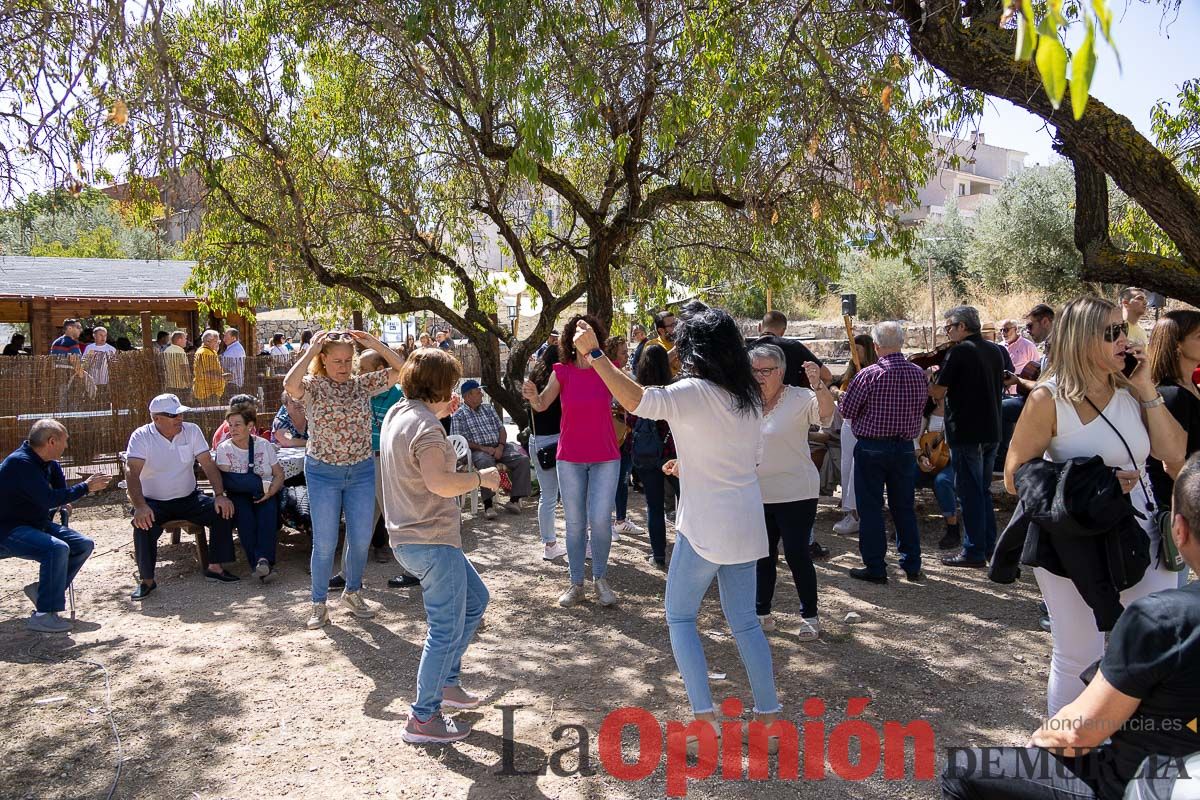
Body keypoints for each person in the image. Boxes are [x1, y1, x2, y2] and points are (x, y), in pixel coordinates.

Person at [576, 301, 783, 747]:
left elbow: (635, 400)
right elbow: (747, 463)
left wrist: (596, 356)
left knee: (680, 616)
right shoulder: (748, 399)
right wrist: (689, 465)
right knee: (745, 622)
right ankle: (769, 722)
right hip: (747, 522)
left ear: (694, 349)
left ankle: (704, 723)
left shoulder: (693, 391)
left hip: (706, 526)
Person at [942, 455, 1200, 800]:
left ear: (1178, 530)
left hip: (1137, 786)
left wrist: (1041, 742)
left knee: (964, 770)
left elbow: (1078, 732)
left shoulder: (1161, 619)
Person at [1004, 296, 1186, 717]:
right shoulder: (1047, 399)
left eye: (1123, 329)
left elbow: (1173, 453)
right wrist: (1095, 484)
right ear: (1081, 339)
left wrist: (1146, 390)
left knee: (1150, 650)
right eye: (1111, 332)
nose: (1124, 339)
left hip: (1140, 532)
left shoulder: (1133, 390)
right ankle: (1066, 762)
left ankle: (1134, 754)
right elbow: (1016, 477)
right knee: (1077, 653)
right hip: (1073, 540)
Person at [381, 347, 499, 744]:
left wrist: (439, 411)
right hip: (430, 539)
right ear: (441, 386)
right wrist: (481, 478)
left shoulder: (401, 413)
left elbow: (411, 393)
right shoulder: (427, 429)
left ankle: (446, 683)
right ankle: (423, 716)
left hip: (413, 537)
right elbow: (440, 483)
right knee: (445, 629)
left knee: (475, 600)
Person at [284, 330, 404, 629]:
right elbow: (290, 384)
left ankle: (352, 592)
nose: (343, 365)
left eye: (348, 360)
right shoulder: (313, 386)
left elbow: (402, 369)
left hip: (361, 470)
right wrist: (311, 350)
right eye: (336, 360)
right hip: (323, 472)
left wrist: (375, 344)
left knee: (361, 539)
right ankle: (318, 603)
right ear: (323, 360)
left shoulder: (362, 385)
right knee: (325, 542)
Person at [523, 314, 622, 607]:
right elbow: (542, 405)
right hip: (570, 458)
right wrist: (531, 396)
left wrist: (599, 358)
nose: (582, 335)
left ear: (595, 337)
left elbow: (631, 397)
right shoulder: (561, 371)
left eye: (587, 331)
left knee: (601, 522)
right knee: (576, 523)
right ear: (569, 339)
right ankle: (576, 583)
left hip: (606, 455)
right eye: (577, 331)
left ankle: (600, 579)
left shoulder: (609, 368)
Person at [749, 344, 834, 641]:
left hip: (796, 490)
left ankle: (809, 615)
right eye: (755, 370)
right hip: (757, 492)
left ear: (781, 371)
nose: (759, 376)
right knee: (762, 555)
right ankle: (762, 613)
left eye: (766, 371)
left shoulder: (800, 397)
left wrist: (818, 385)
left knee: (797, 554)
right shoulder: (746, 400)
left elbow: (827, 416)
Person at [838, 321, 927, 584]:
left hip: (871, 446)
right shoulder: (918, 374)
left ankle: (876, 566)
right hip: (903, 448)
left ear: (876, 346)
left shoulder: (868, 375)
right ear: (901, 343)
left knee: (871, 508)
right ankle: (912, 564)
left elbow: (848, 411)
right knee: (903, 508)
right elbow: (921, 407)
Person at [126, 394, 239, 599]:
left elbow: (208, 464)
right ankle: (147, 581)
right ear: (156, 418)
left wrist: (220, 495)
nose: (180, 419)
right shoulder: (141, 436)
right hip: (153, 501)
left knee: (222, 510)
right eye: (173, 415)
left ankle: (215, 566)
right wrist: (140, 506)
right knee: (143, 524)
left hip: (188, 498)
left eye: (181, 413)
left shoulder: (192, 431)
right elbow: (132, 472)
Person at [0, 420, 106, 631]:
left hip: (36, 524)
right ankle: (43, 614)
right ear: (51, 441)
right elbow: (49, 499)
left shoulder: (48, 461)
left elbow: (59, 492)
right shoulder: (20, 463)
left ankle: (43, 592)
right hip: (8, 530)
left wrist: (66, 500)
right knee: (56, 548)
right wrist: (86, 487)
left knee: (83, 544)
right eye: (64, 441)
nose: (66, 446)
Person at [928, 306, 1006, 567]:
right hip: (992, 429)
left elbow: (938, 392)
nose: (947, 332)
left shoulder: (959, 351)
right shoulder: (994, 350)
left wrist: (929, 379)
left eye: (949, 327)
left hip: (967, 430)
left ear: (963, 326)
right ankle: (988, 546)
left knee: (969, 492)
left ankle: (973, 550)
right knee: (981, 491)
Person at [1145, 310, 1200, 589]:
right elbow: (1172, 461)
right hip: (1178, 505)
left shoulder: (1190, 386)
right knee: (1173, 586)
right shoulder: (1172, 394)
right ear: (1177, 344)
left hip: (1187, 501)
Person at [360, 349, 419, 587]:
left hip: (386, 461)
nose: (359, 374)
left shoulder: (398, 396)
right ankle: (347, 574)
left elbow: (403, 368)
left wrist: (374, 343)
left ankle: (413, 570)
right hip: (365, 462)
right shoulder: (362, 393)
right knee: (361, 521)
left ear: (379, 371)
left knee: (396, 519)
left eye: (364, 369)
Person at [214, 408, 284, 582]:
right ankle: (261, 563)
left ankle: (262, 562)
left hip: (265, 491)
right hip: (238, 494)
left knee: (267, 516)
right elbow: (226, 480)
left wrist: (270, 493)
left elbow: (279, 474)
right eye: (230, 425)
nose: (233, 428)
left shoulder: (263, 444)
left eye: (238, 424)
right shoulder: (224, 449)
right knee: (246, 519)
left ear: (250, 425)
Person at [450, 380, 530, 520]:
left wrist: (500, 446)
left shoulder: (488, 408)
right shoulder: (459, 416)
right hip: (477, 451)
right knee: (485, 463)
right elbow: (462, 440)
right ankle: (488, 505)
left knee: (522, 459)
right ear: (468, 396)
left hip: (498, 446)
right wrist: (484, 448)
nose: (481, 394)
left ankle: (515, 500)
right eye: (478, 391)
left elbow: (501, 429)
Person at [630, 344, 677, 569]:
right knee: (687, 504)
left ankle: (658, 555)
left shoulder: (638, 391)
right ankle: (693, 554)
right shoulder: (675, 389)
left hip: (648, 455)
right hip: (675, 455)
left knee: (654, 507)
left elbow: (631, 421)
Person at [996, 303, 1056, 468]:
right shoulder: (1051, 345)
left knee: (1000, 409)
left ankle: (1001, 459)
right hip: (1037, 398)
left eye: (1030, 326)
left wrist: (1018, 381)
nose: (1027, 330)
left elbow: (1048, 387)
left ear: (1045, 322)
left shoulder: (1059, 347)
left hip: (1049, 405)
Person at [832, 334, 879, 537]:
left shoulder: (871, 373)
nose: (855, 354)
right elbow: (834, 384)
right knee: (847, 467)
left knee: (856, 470)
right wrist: (836, 392)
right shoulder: (852, 371)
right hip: (848, 426)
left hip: (863, 425)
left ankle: (858, 514)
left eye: (858, 350)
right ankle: (850, 511)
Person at [526, 344, 569, 562]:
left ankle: (549, 543)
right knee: (570, 494)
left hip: (536, 440)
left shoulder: (534, 376)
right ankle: (579, 542)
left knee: (548, 495)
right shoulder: (559, 377)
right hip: (557, 439)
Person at [608, 335, 643, 537]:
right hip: (612, 435)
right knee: (611, 479)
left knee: (622, 479)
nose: (627, 355)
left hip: (626, 435)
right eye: (623, 352)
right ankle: (609, 522)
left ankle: (620, 519)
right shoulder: (607, 377)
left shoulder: (628, 376)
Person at [748, 310, 834, 389]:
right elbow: (826, 376)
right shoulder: (794, 347)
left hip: (755, 403)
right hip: (792, 403)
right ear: (783, 331)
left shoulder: (747, 351)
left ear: (759, 327)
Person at [632, 310, 681, 377]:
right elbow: (652, 368)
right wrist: (676, 349)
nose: (677, 327)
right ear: (661, 330)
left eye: (676, 323)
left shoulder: (684, 342)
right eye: (672, 325)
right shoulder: (651, 345)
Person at [998, 318, 1039, 395]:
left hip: (1020, 393)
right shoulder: (999, 346)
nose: (1003, 333)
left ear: (1015, 329)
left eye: (1006, 330)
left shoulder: (1028, 346)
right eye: (1001, 330)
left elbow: (1037, 370)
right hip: (1001, 392)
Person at [192, 330, 229, 404]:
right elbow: (205, 373)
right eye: (217, 341)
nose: (218, 343)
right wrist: (222, 376)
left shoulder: (210, 351)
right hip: (207, 393)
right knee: (211, 414)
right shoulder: (205, 352)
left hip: (211, 392)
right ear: (208, 341)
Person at [83, 325, 117, 400]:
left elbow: (115, 365)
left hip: (105, 380)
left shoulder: (111, 349)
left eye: (105, 335)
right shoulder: (89, 348)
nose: (103, 337)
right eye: (100, 335)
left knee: (105, 400)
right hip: (92, 380)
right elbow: (84, 362)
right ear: (94, 336)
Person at [161, 330, 191, 395]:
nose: (186, 341)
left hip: (169, 385)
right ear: (179, 340)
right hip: (181, 386)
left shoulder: (166, 351)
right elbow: (184, 368)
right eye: (185, 338)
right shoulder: (180, 352)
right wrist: (189, 383)